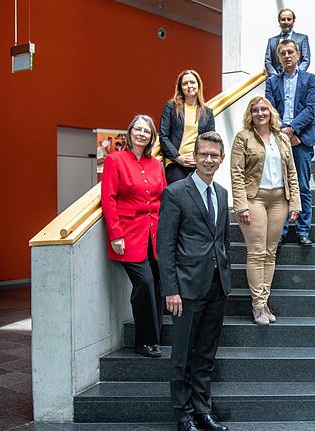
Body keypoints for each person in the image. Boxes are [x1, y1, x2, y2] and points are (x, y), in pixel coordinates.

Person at [157, 131, 231, 431]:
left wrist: (225, 274)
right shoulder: (175, 192)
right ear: (195, 157)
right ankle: (183, 415)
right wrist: (171, 289)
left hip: (216, 286)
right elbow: (165, 246)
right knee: (183, 355)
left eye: (214, 155)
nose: (209, 159)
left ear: (221, 159)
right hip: (186, 289)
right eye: (204, 154)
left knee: (205, 354)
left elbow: (223, 239)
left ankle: (202, 410)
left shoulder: (222, 193)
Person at [100, 114, 167, 358]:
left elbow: (164, 199)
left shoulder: (157, 164)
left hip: (156, 233)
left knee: (159, 284)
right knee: (145, 283)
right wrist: (115, 235)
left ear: (151, 137)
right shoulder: (114, 160)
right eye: (137, 129)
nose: (141, 134)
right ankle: (145, 340)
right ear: (129, 133)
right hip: (128, 235)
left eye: (146, 131)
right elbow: (108, 198)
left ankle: (156, 336)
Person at [231, 96, 301, 326]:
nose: (260, 113)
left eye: (264, 109)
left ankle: (264, 301)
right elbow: (237, 173)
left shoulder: (282, 138)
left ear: (271, 112)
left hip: (280, 199)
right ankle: (258, 305)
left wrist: (296, 203)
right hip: (254, 199)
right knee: (257, 251)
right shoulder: (243, 138)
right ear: (250, 114)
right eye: (255, 110)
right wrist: (240, 204)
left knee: (270, 252)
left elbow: (292, 172)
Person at [265, 38, 315, 247]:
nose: (287, 56)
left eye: (291, 52)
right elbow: (269, 110)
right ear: (278, 58)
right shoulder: (271, 82)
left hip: (302, 139)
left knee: (303, 187)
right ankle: (281, 231)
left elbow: (311, 108)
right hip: (278, 140)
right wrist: (283, 133)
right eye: (283, 53)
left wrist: (293, 129)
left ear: (298, 55)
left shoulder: (310, 79)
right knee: (280, 187)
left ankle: (303, 231)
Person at [159, 69, 216, 184]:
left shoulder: (208, 112)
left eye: (192, 82)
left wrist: (199, 159)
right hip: (175, 163)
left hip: (199, 164)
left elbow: (210, 140)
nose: (189, 86)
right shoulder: (171, 107)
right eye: (185, 83)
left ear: (198, 85)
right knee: (180, 197)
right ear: (180, 87)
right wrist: (178, 157)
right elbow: (163, 136)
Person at [264, 8, 311, 76]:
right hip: (276, 82)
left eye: (289, 19)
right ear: (279, 21)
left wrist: (296, 75)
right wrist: (276, 77)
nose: (286, 22)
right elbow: (268, 62)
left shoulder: (302, 39)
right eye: (283, 19)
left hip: (296, 80)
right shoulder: (272, 41)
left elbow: (306, 60)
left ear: (293, 21)